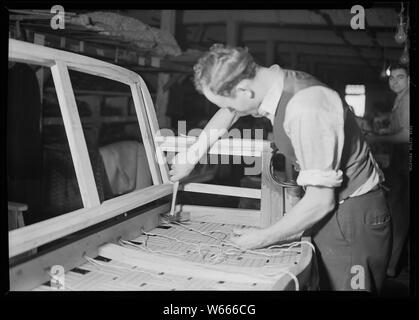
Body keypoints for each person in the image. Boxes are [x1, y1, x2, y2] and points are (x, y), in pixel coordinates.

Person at [169, 44, 391, 292]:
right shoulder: (272, 78)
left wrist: (262, 237)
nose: (231, 111)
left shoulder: (307, 107)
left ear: (244, 89)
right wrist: (192, 155)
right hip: (339, 209)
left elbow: (321, 201)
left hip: (351, 217)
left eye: (232, 104)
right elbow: (228, 114)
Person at [366, 64, 410, 277]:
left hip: (405, 159)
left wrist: (375, 138)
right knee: (396, 209)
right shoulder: (400, 98)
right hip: (399, 158)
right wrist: (382, 130)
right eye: (392, 78)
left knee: (399, 212)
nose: (395, 81)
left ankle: (391, 266)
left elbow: (406, 135)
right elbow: (399, 129)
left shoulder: (408, 97)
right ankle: (392, 263)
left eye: (400, 77)